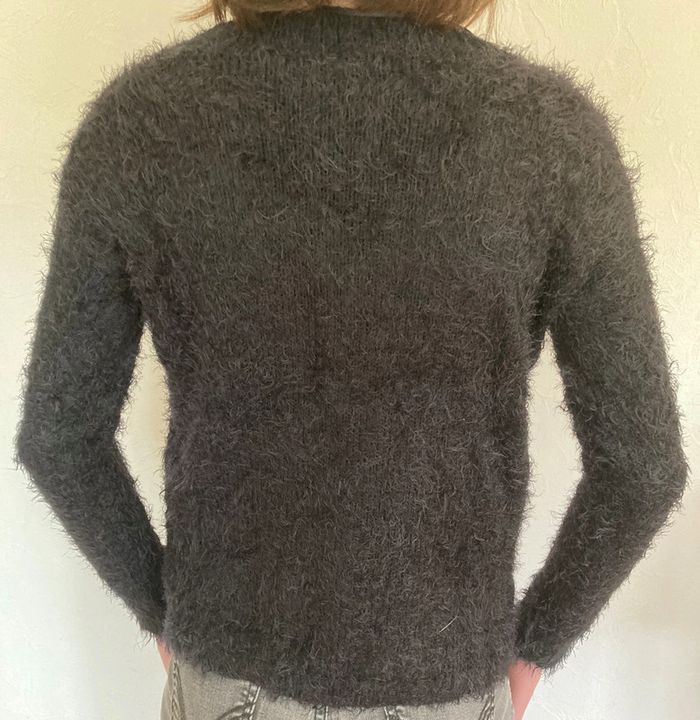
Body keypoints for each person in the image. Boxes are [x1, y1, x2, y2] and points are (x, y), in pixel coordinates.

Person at [13, 1, 689, 719]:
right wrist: (533, 650)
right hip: (447, 681)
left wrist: (167, 615)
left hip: (230, 672)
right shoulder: (555, 138)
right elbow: (642, 470)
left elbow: (60, 438)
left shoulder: (140, 123)